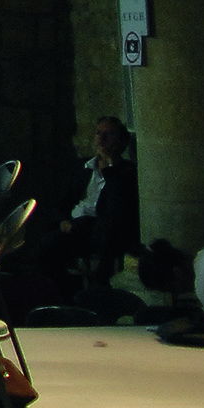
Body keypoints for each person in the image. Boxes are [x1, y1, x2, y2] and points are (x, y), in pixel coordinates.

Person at [53, 116, 137, 292]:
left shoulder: (126, 172)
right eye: (98, 133)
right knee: (48, 246)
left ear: (120, 141)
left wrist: (110, 167)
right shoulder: (83, 167)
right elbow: (65, 200)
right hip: (75, 225)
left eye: (109, 134)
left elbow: (117, 205)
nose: (101, 139)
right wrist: (63, 220)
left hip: (101, 227)